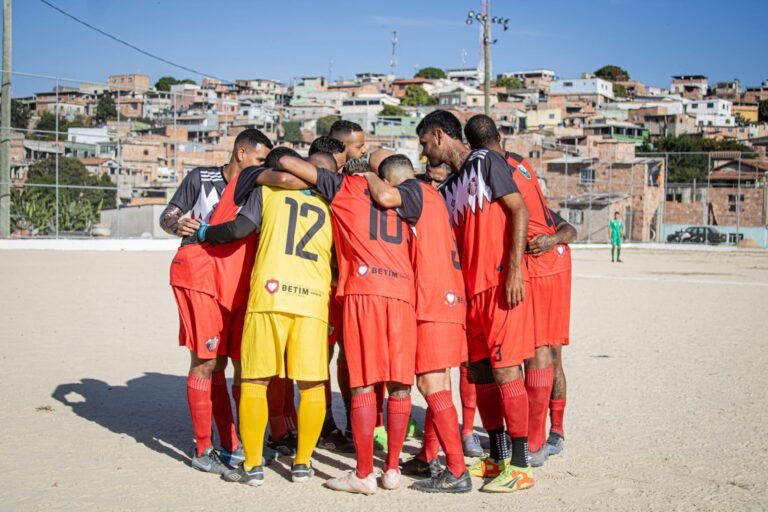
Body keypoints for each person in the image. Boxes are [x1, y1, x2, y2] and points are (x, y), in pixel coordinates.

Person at [274, 152, 420, 495]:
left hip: (364, 291)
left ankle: (365, 472)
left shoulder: (344, 186)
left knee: (363, 384)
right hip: (402, 291)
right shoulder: (409, 196)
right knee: (400, 385)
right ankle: (393, 469)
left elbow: (289, 164)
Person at [195, 147, 332, 486]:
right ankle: (302, 463)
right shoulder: (332, 202)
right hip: (313, 300)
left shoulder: (266, 191)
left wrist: (203, 233)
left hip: (269, 295)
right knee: (312, 384)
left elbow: (240, 228)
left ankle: (253, 466)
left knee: (255, 381)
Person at [417, 110, 535, 493]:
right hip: (470, 296)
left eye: (423, 143)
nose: (423, 153)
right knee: (481, 375)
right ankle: (498, 457)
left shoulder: (485, 161)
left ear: (439, 136)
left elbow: (519, 209)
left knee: (506, 372)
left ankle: (521, 465)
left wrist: (514, 271)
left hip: (500, 284)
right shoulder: (449, 188)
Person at [464, 114, 577, 467]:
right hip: (550, 258)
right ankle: (544, 435)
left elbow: (523, 214)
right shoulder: (518, 162)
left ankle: (538, 441)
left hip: (541, 262)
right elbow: (555, 219)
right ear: (500, 136)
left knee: (540, 353)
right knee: (543, 353)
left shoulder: (494, 166)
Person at [160, 129, 274, 474]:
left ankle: (232, 442)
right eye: (258, 159)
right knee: (206, 362)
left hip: (236, 283)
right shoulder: (201, 178)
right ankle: (202, 448)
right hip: (200, 277)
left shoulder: (258, 186)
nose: (262, 166)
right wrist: (177, 223)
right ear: (241, 153)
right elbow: (167, 216)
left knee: (231, 365)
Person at [362, 155, 472, 493]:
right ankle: (428, 456)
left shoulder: (412, 190)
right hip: (449, 297)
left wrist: (365, 174)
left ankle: (456, 470)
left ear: (392, 179)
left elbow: (384, 197)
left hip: (432, 300)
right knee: (440, 382)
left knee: (431, 384)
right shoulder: (434, 196)